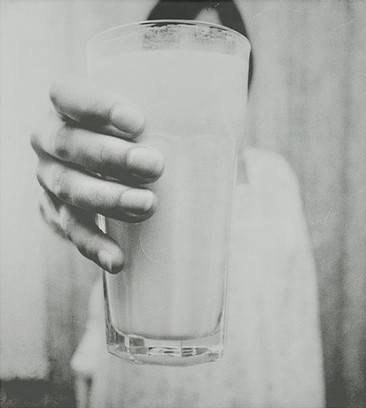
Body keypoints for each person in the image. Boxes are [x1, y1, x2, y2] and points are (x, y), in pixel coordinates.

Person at [31, 1, 325, 407]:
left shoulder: (275, 179)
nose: (190, 73)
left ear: (241, 75)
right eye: (173, 51)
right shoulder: (122, 163)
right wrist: (59, 190)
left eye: (208, 49)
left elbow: (298, 327)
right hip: (136, 386)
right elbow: (77, 222)